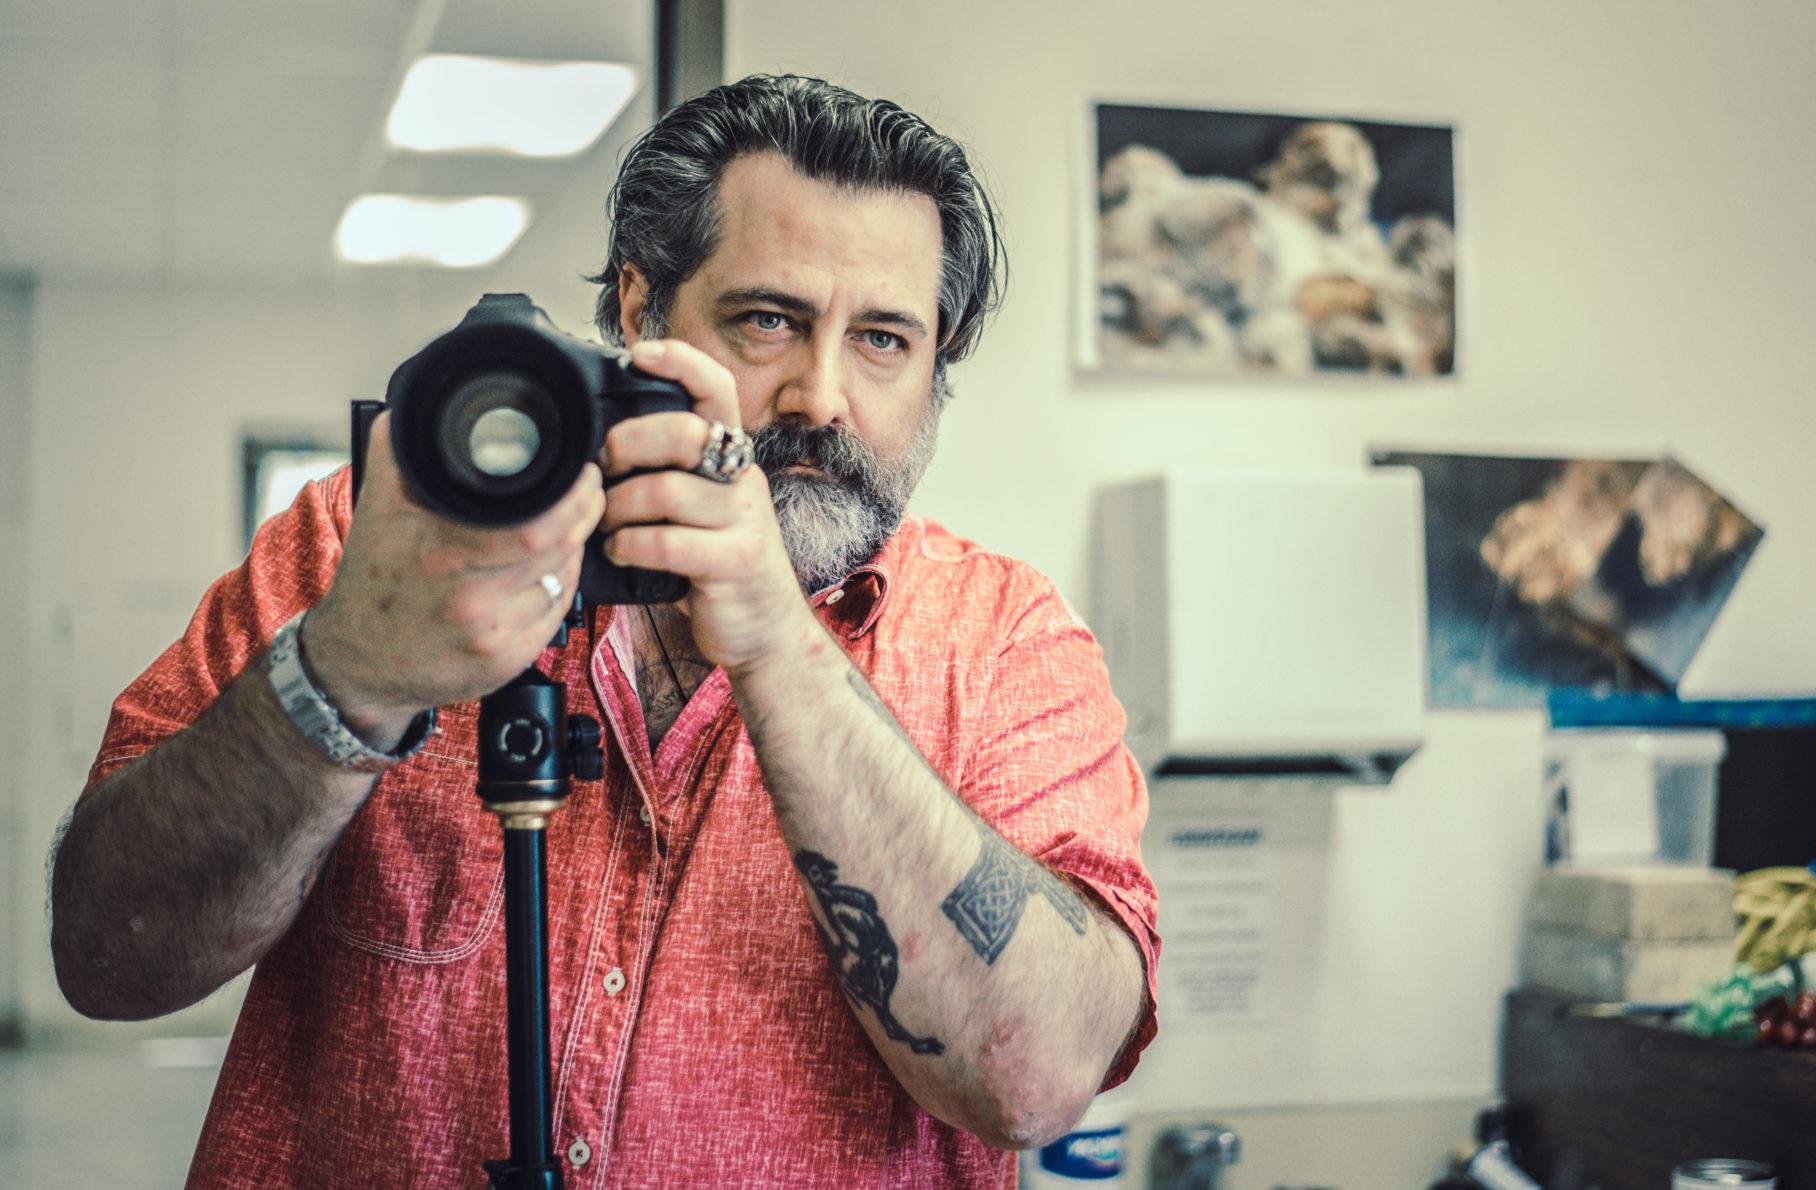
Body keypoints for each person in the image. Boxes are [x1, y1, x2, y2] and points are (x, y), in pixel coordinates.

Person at [49, 74, 1158, 1187]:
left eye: (881, 339)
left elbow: (1040, 1074)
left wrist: (776, 642)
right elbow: (106, 953)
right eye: (767, 320)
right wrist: (344, 671)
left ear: (934, 364)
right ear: (638, 308)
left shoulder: (1009, 639)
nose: (820, 396)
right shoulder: (377, 538)